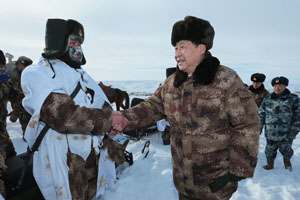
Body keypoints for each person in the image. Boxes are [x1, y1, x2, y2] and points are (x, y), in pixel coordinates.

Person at [113, 16, 260, 200]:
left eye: (182, 47)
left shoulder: (226, 80)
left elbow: (247, 124)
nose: (176, 53)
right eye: (175, 48)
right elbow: (152, 107)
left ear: (201, 48)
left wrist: (236, 171)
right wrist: (122, 119)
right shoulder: (173, 82)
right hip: (183, 182)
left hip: (215, 185)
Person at [21, 19, 128, 200]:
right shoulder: (36, 72)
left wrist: (112, 120)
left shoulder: (82, 75)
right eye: (73, 42)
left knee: (95, 194)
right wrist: (108, 120)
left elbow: (102, 103)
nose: (78, 47)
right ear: (58, 41)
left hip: (90, 154)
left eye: (79, 43)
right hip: (64, 159)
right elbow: (64, 115)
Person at [259, 76, 300, 171]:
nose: (277, 88)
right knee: (270, 149)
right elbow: (261, 115)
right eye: (275, 86)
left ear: (285, 86)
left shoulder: (293, 99)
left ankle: (287, 162)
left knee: (286, 149)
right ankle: (270, 164)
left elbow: (298, 115)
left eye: (280, 85)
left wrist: (296, 128)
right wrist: (259, 127)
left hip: (286, 132)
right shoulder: (267, 100)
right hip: (270, 132)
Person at [6, 56, 33, 137]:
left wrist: (15, 111)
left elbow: (24, 96)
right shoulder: (13, 73)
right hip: (15, 100)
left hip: (26, 103)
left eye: (23, 66)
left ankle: (29, 138)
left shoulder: (30, 77)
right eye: (19, 65)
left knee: (26, 119)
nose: (20, 67)